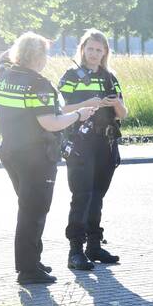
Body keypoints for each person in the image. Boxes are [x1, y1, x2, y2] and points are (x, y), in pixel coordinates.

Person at [0, 32, 97, 285]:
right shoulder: (39, 84)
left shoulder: (4, 75)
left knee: (28, 207)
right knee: (34, 211)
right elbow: (50, 122)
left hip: (10, 151)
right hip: (35, 157)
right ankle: (28, 270)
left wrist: (25, 42)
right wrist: (79, 115)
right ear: (38, 56)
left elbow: (3, 57)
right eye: (45, 53)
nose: (47, 59)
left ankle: (32, 260)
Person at [58, 29, 127, 270]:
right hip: (80, 143)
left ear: (105, 52)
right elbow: (59, 110)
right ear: (83, 49)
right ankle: (75, 251)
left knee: (97, 195)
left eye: (99, 50)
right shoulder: (71, 76)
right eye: (90, 49)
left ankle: (94, 247)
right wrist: (87, 104)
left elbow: (123, 114)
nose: (94, 54)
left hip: (105, 144)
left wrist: (115, 102)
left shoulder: (110, 77)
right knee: (82, 196)